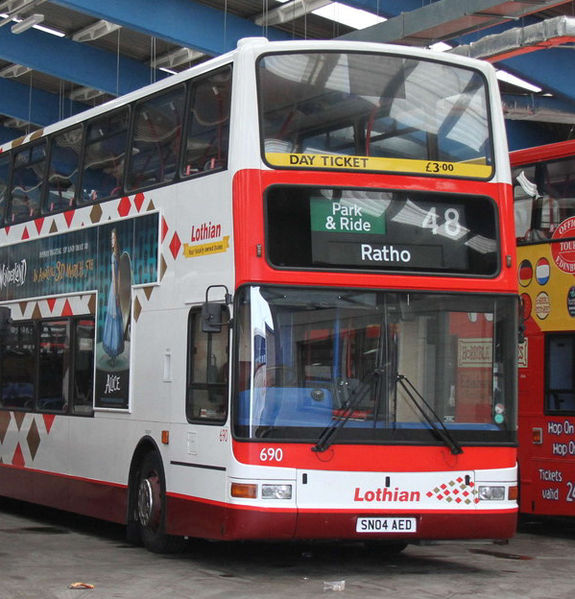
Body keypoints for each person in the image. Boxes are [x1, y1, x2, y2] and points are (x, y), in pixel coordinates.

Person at [102, 228, 124, 365]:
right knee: (115, 320)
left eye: (113, 238)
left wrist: (115, 294)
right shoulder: (117, 255)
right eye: (111, 239)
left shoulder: (114, 256)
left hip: (114, 289)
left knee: (113, 319)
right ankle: (115, 351)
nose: (112, 241)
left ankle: (113, 351)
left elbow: (114, 276)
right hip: (116, 289)